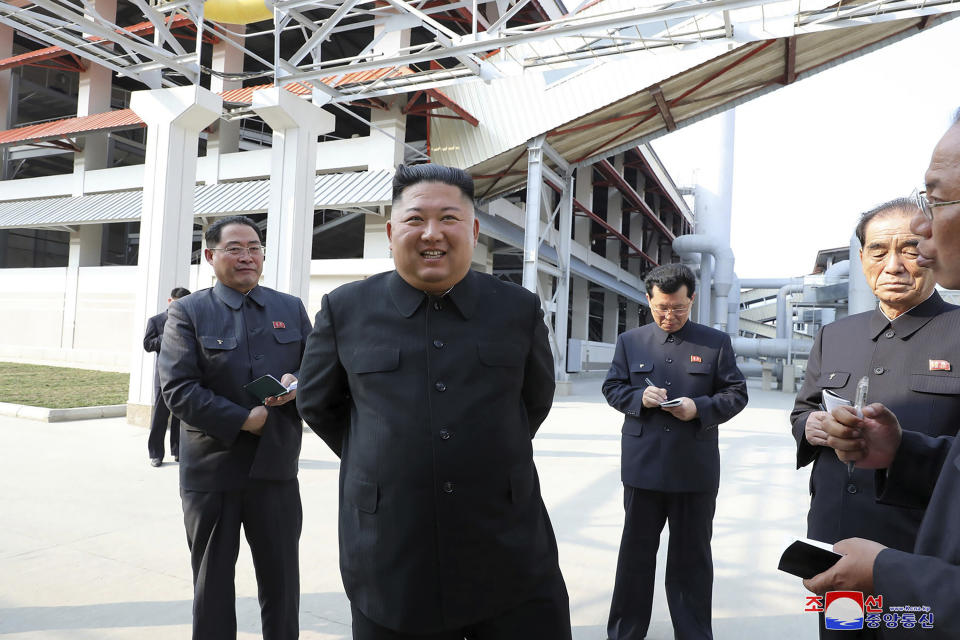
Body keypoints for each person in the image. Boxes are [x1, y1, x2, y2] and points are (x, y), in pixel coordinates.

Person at [297, 164, 572, 640]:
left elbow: (533, 401)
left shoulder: (517, 309)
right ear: (390, 231)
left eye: (449, 218)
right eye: (415, 219)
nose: (432, 233)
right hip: (390, 548)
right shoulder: (346, 309)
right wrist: (386, 455)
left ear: (474, 230)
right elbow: (319, 403)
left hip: (506, 542)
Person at [806, 115, 960, 638]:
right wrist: (812, 427)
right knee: (842, 632)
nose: (893, 263)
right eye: (878, 250)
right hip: (837, 541)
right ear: (863, 259)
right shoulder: (837, 334)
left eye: (908, 248)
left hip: (917, 555)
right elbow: (805, 408)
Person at [158, 215, 311, 640]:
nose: (247, 256)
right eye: (235, 248)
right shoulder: (189, 312)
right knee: (213, 584)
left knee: (282, 582)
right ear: (210, 256)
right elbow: (178, 389)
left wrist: (297, 383)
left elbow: (316, 368)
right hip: (213, 471)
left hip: (276, 468)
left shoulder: (289, 308)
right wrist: (243, 419)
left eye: (255, 247)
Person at [603, 263, 748, 640]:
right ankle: (624, 633)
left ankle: (695, 634)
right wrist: (639, 397)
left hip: (693, 470)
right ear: (649, 300)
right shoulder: (630, 341)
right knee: (634, 558)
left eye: (679, 308)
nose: (669, 316)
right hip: (642, 467)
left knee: (691, 562)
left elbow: (736, 394)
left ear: (692, 300)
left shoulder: (715, 343)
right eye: (661, 308)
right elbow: (612, 387)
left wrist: (698, 408)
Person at [143, 286, 191, 467]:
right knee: (160, 417)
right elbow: (148, 344)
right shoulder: (156, 321)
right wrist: (167, 335)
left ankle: (177, 451)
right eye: (178, 303)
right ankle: (156, 454)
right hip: (163, 376)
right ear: (170, 301)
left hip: (185, 376)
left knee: (180, 416)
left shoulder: (190, 320)